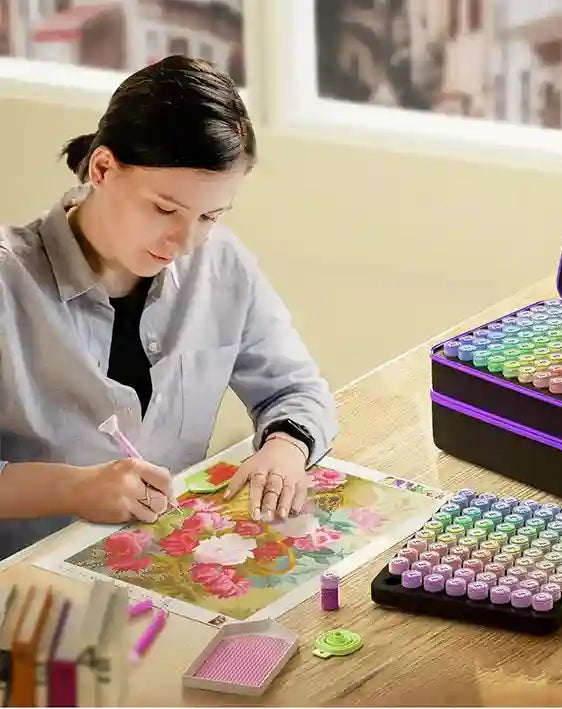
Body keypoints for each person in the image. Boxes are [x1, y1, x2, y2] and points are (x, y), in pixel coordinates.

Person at [0, 55, 337, 560]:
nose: (185, 241)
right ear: (102, 168)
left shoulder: (220, 264)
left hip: (166, 569)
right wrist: (70, 489)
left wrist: (285, 449)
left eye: (209, 216)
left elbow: (294, 389)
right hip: (26, 583)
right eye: (164, 209)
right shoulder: (8, 283)